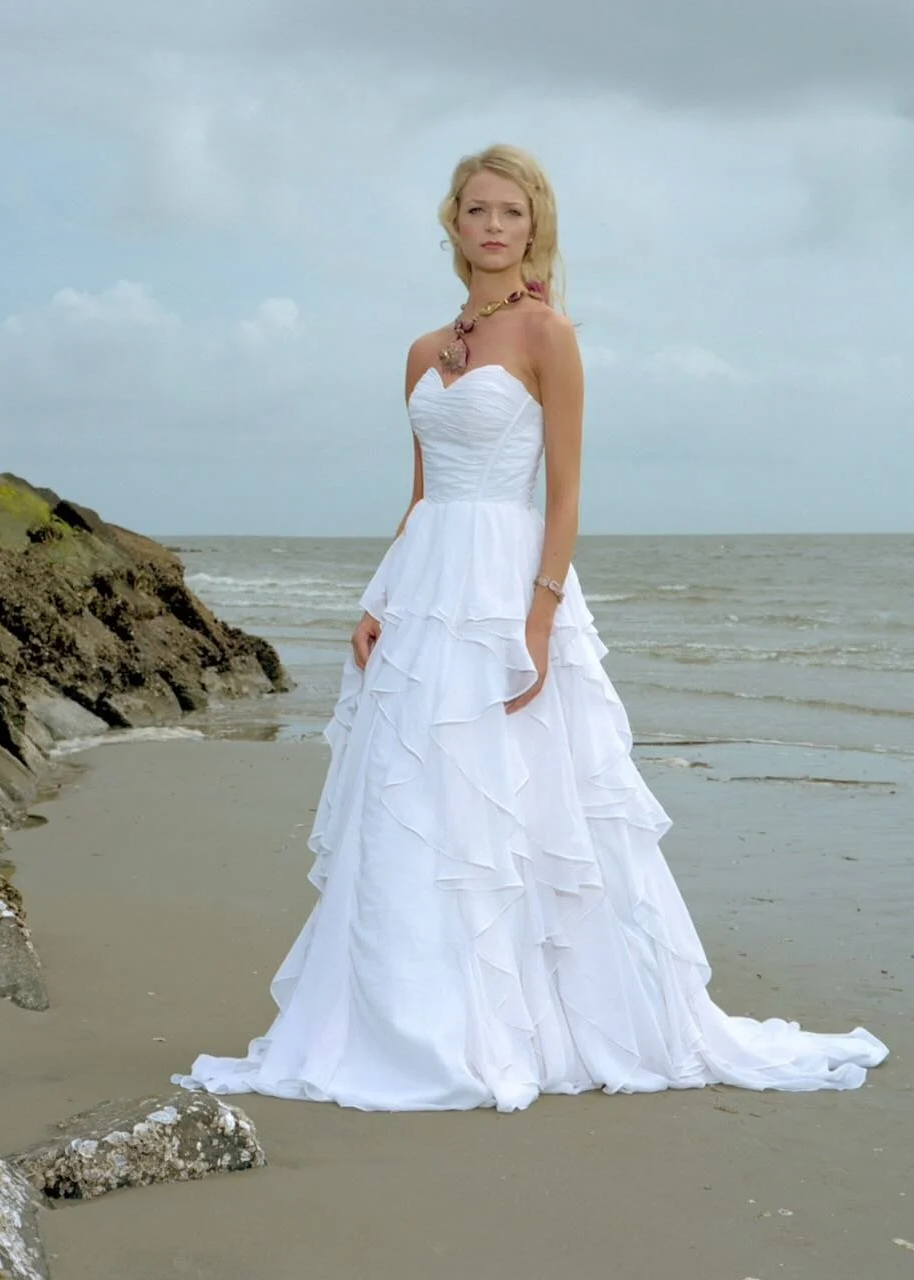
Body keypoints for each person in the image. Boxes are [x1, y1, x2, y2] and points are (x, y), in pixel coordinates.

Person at [173, 144, 888, 1112]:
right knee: (412, 799)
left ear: (532, 226)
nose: (494, 225)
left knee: (514, 805)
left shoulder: (549, 336)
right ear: (452, 224)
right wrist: (376, 601)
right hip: (426, 590)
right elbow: (421, 496)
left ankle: (519, 1016)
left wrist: (540, 618)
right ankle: (404, 1017)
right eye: (476, 209)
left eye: (511, 210)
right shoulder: (423, 351)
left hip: (506, 585)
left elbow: (563, 495)